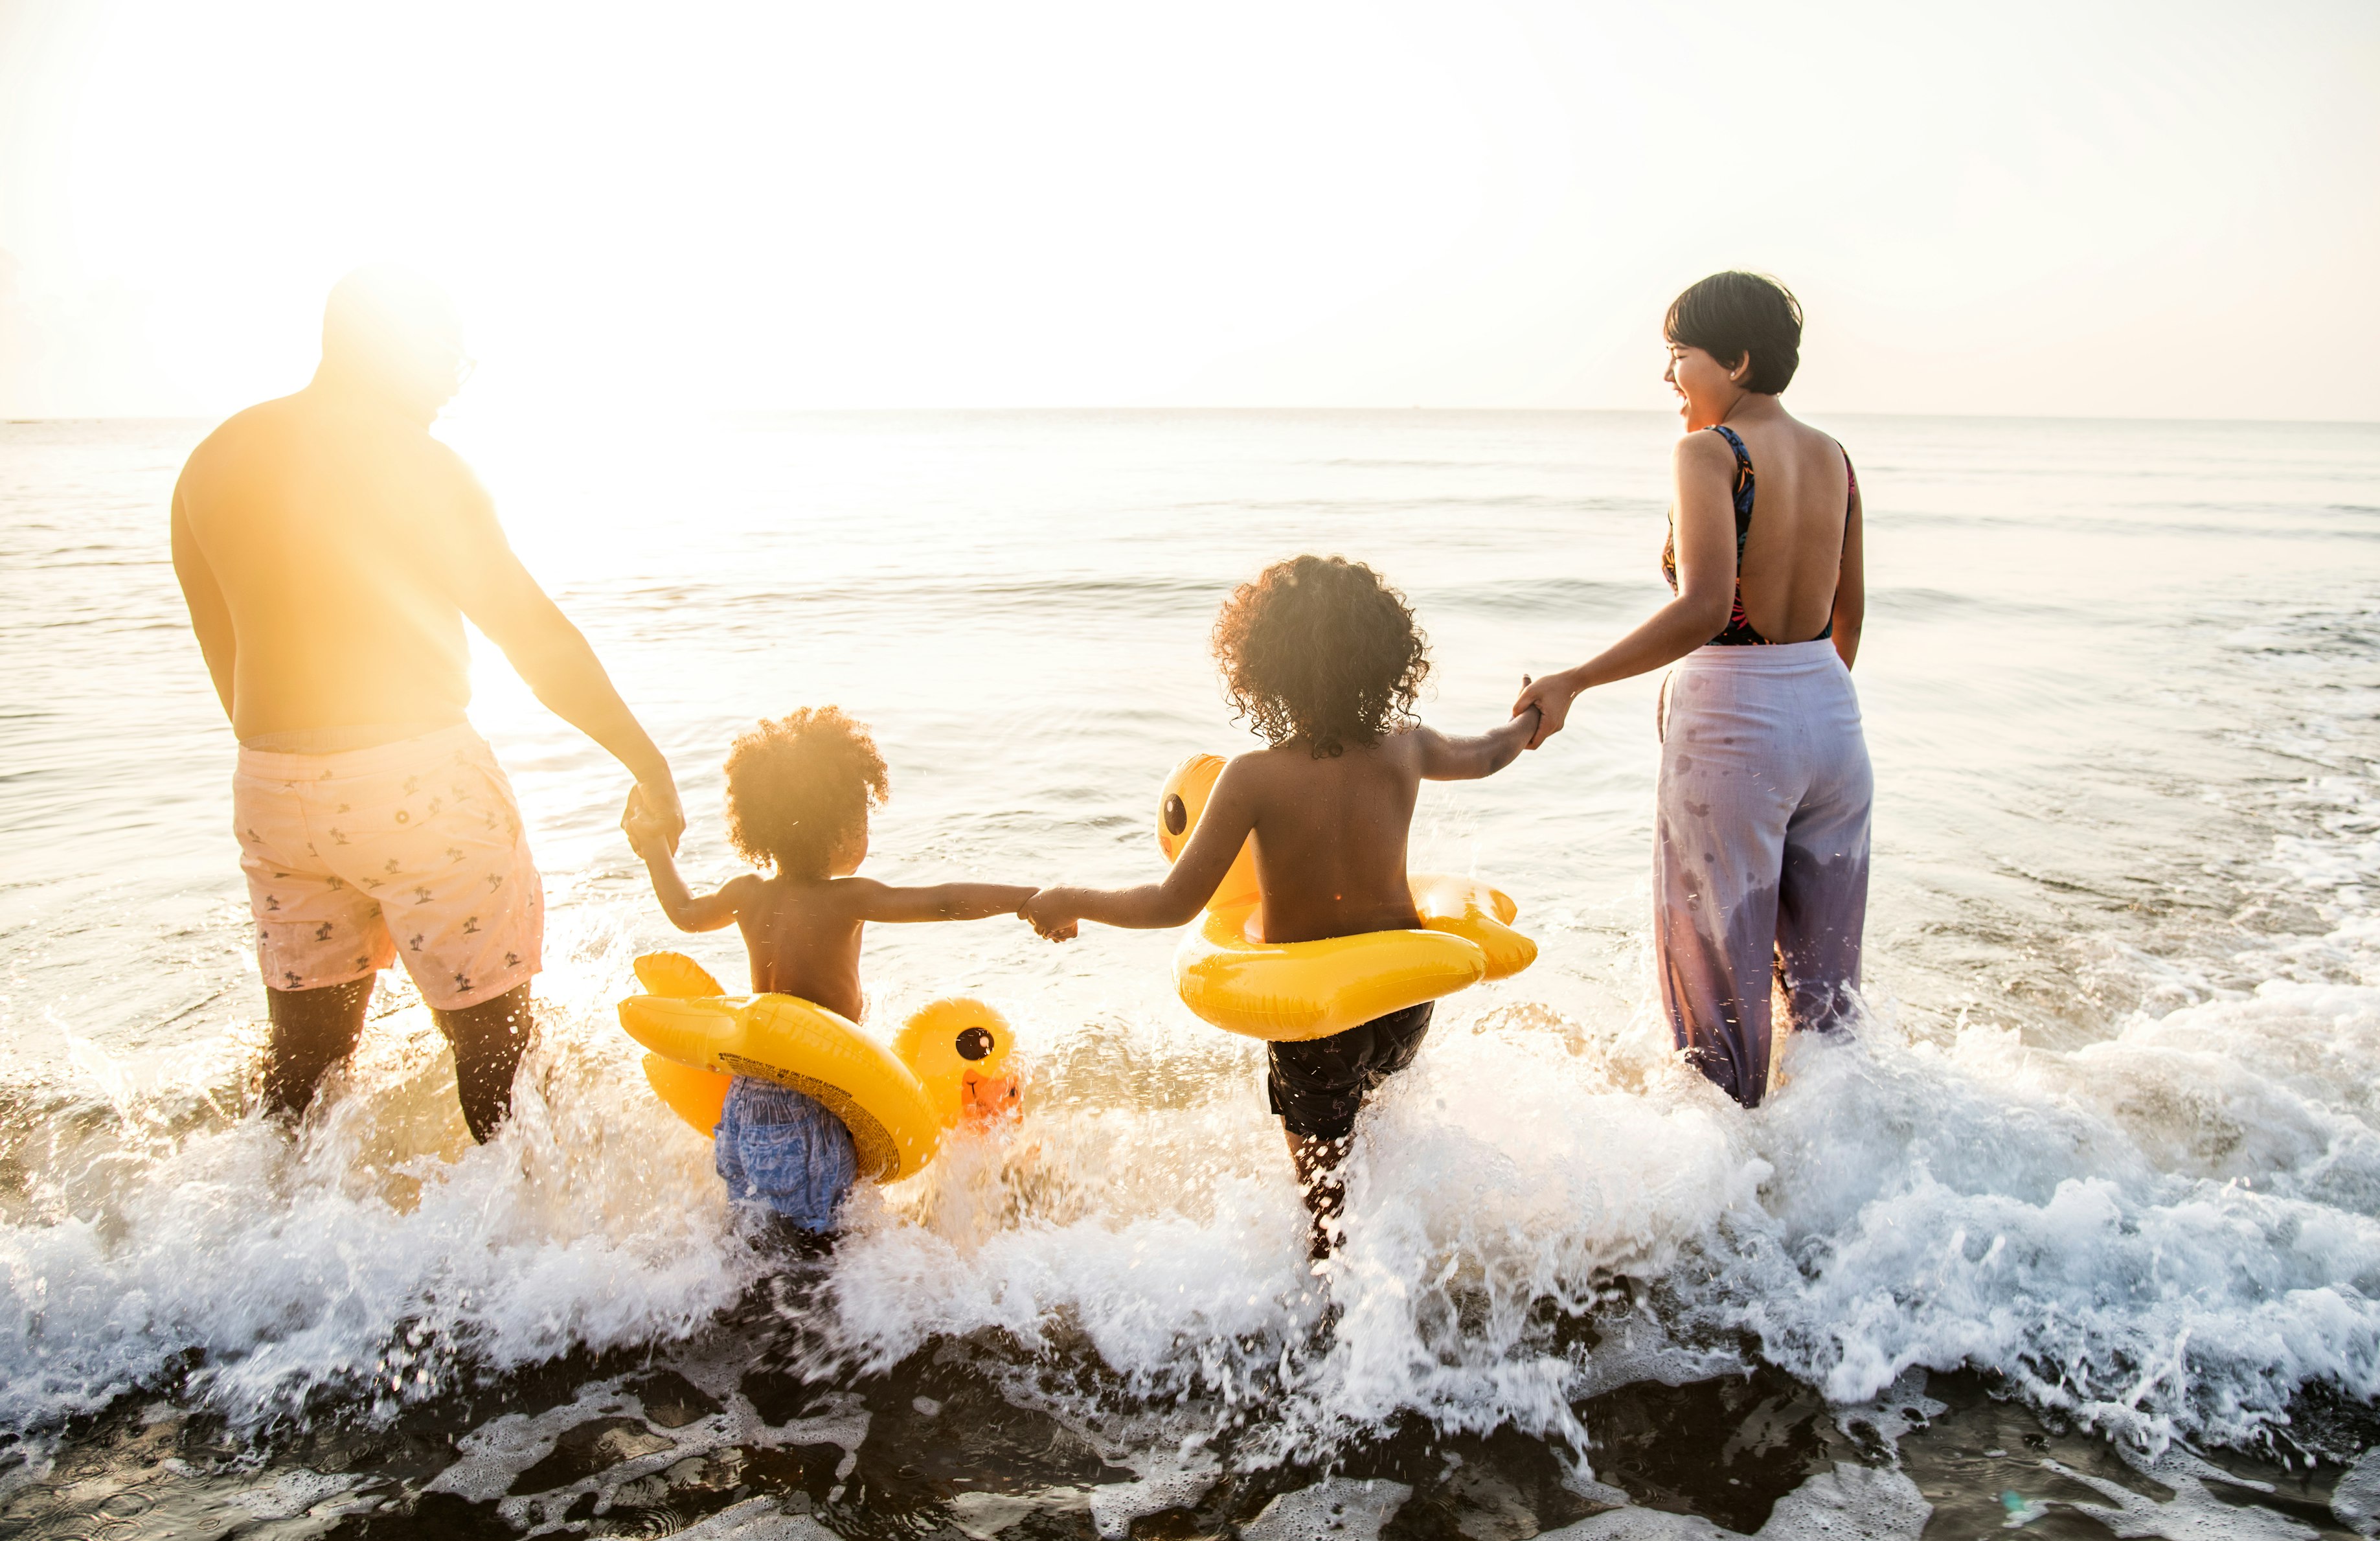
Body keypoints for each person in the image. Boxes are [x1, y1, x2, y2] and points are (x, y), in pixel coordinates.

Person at [170, 266, 685, 1143]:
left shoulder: (213, 460)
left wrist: (304, 775)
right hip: (418, 777)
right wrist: (650, 765)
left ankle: (261, 1247)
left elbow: (228, 660)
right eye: (450, 356)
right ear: (399, 349)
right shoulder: (422, 463)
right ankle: (529, 1256)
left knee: (303, 1059)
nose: (454, 381)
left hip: (272, 789)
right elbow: (535, 640)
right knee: (495, 1048)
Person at [1023, 556, 1539, 1255]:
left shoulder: (1253, 778)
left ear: (1261, 669)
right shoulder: (1408, 748)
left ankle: (1334, 1316)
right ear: (1385, 656)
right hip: (1402, 997)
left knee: (1325, 1206)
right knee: (1378, 1128)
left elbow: (1172, 902)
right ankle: (1397, 1273)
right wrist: (1533, 716)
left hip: (1314, 1019)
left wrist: (1068, 897)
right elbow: (1488, 755)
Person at [1513, 270, 1869, 1110]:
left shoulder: (1709, 453)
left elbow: (1705, 604)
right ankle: (1845, 1182)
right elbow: (1849, 615)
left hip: (1734, 723)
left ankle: (1724, 1213)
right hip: (1832, 715)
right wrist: (1803, 703)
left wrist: (1576, 680)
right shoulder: (1834, 457)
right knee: (1829, 998)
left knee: (1716, 992)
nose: (1669, 378)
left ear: (1736, 359)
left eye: (1679, 356)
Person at [626, 705, 1037, 1237]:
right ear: (840, 829)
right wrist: (1027, 899)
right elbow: (943, 901)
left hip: (742, 1106)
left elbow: (682, 912)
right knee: (822, 1252)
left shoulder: (746, 894)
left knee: (754, 1245)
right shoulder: (849, 899)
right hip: (810, 1111)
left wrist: (653, 844)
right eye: (860, 820)